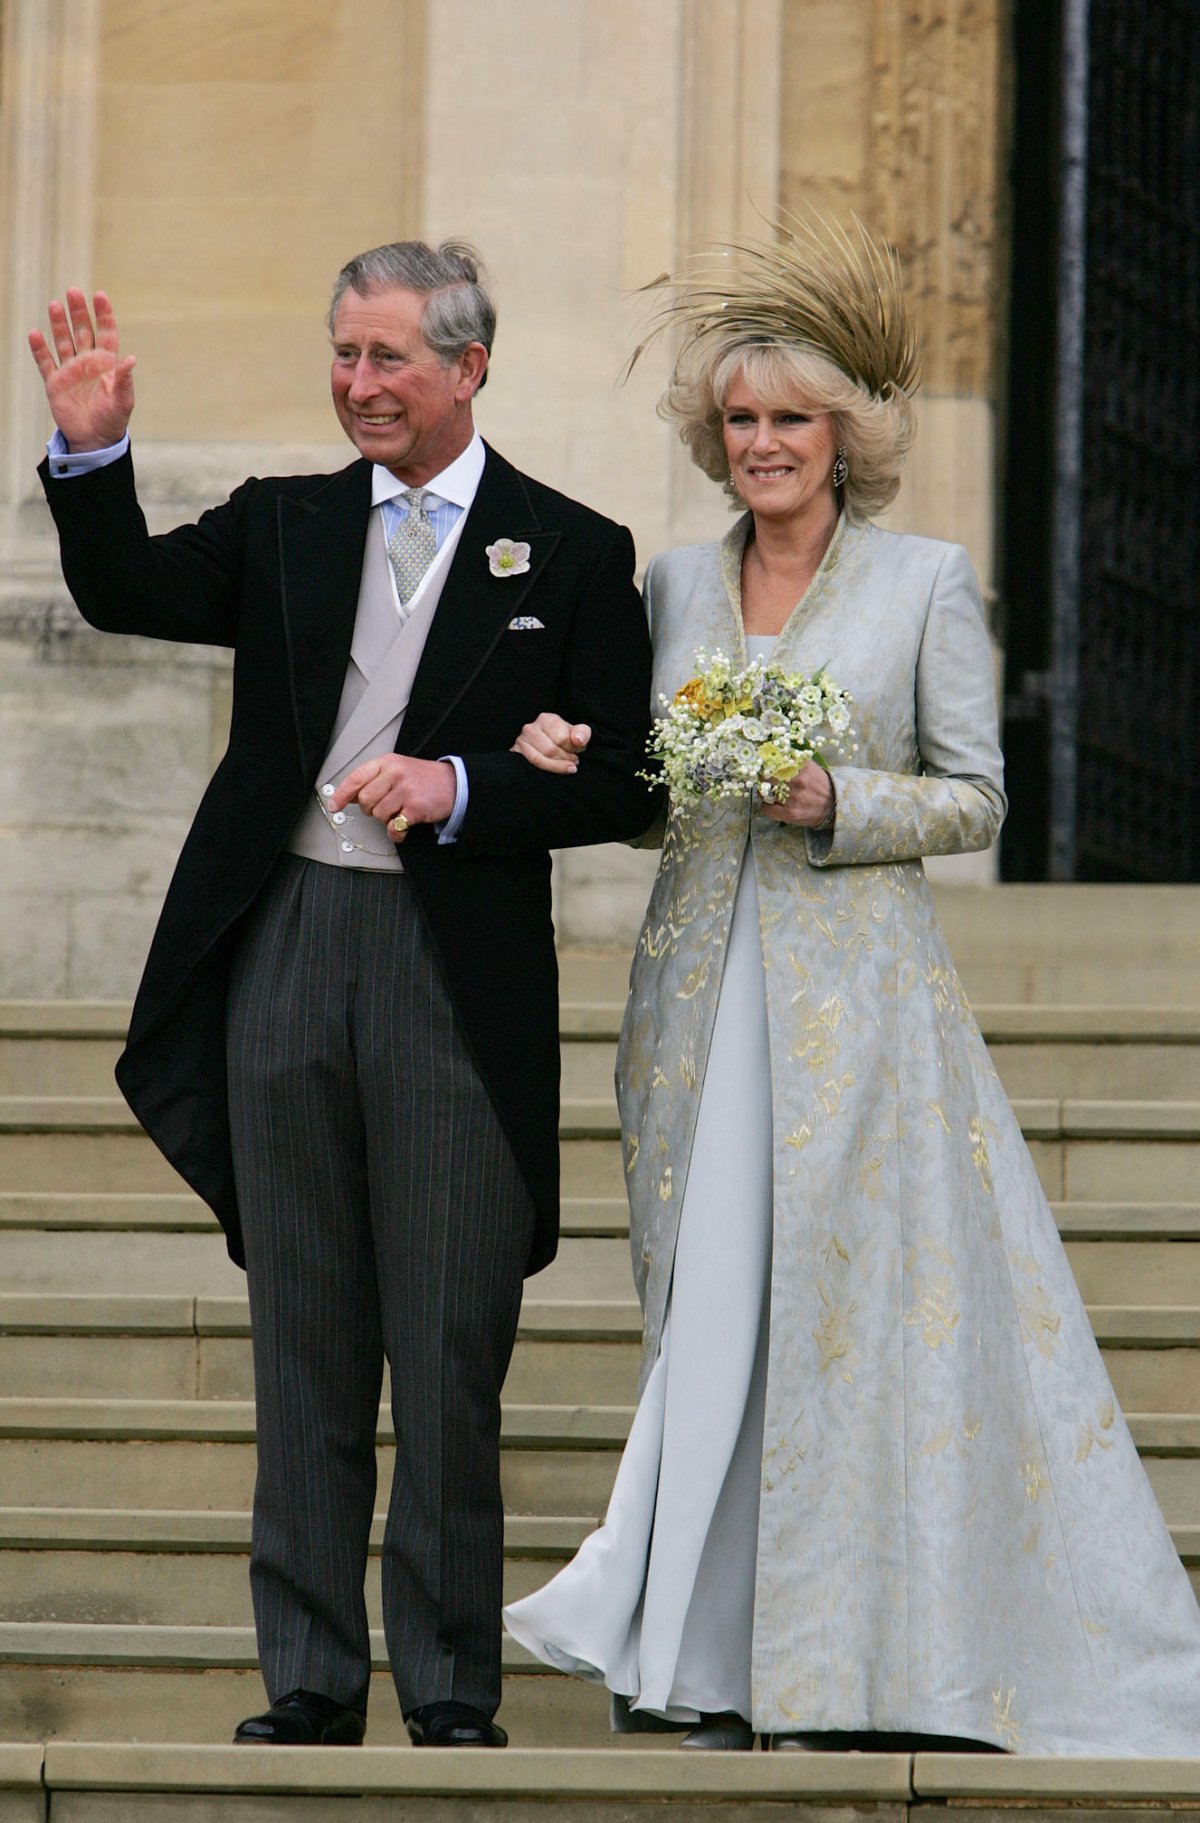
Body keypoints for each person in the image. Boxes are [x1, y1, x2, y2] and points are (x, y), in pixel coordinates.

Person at [503, 218, 1200, 1754]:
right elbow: (645, 782)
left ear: (847, 437)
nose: (763, 445)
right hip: (695, 1008)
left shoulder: (927, 583)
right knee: (714, 1319)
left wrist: (842, 801)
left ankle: (841, 1659)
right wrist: (567, 758)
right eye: (741, 420)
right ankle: (696, 1656)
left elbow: (976, 795)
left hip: (858, 1019)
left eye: (791, 421)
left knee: (833, 1322)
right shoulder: (674, 585)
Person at [29, 241, 655, 1749]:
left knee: (446, 1348)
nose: (358, 386)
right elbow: (123, 593)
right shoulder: (287, 525)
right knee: (304, 1330)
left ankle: (447, 1690)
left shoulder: (570, 549)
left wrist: (464, 786)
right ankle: (307, 1679)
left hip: (451, 973)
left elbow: (630, 779)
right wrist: (92, 448)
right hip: (286, 941)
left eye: (388, 361)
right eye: (343, 356)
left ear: (467, 369)